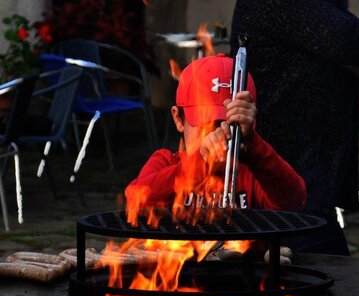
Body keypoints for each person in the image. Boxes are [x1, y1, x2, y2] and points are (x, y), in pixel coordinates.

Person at [230, 0, 359, 255]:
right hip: (290, 177)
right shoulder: (283, 5)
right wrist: (354, 58)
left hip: (310, 174)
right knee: (323, 277)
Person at [125, 54, 306, 220]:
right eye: (206, 124)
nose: (217, 134)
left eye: (228, 125)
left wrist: (255, 147)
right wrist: (199, 164)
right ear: (179, 119)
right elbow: (135, 200)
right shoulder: (166, 162)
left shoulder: (253, 172)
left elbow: (294, 202)